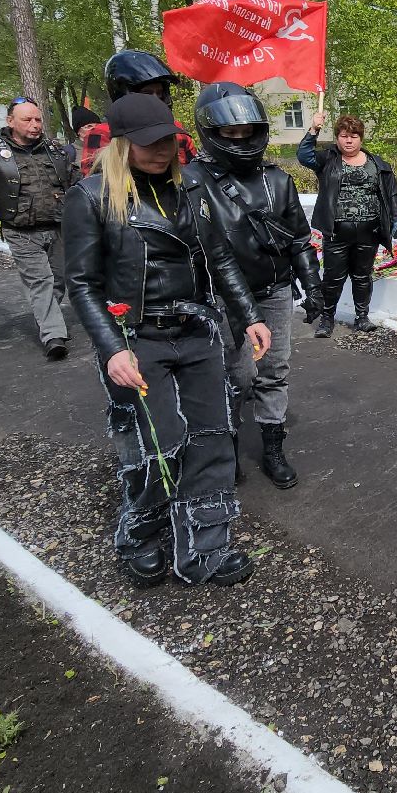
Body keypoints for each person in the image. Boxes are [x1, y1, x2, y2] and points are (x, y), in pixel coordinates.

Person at [63, 93, 269, 588]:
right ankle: (141, 534)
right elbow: (82, 283)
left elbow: (220, 258)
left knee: (212, 437)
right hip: (137, 336)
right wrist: (112, 348)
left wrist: (249, 316)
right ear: (122, 144)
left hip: (197, 329)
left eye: (169, 141)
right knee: (155, 443)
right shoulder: (91, 196)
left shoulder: (192, 188)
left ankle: (205, 547)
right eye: (149, 142)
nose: (162, 151)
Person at [186, 83, 324, 488]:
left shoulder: (277, 180)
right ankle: (225, 445)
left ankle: (272, 445)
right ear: (211, 132)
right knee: (238, 374)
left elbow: (299, 238)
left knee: (274, 370)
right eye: (231, 133)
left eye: (247, 131)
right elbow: (204, 250)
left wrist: (313, 285)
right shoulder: (193, 182)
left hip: (274, 290)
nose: (241, 140)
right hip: (223, 296)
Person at [0, 97, 75, 360]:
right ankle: (53, 335)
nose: (35, 125)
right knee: (40, 281)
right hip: (21, 231)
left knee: (59, 279)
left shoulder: (54, 149)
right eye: (27, 119)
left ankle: (48, 317)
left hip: (59, 226)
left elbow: (74, 182)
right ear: (10, 121)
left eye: (38, 119)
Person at [299, 111, 397, 337]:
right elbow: (304, 156)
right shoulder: (328, 160)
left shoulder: (377, 164)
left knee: (362, 276)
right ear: (337, 138)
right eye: (344, 136)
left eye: (354, 136)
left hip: (369, 232)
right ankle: (327, 319)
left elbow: (392, 193)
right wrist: (314, 129)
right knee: (333, 278)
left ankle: (362, 317)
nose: (349, 141)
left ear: (361, 138)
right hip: (337, 231)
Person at [77, 50, 196, 177]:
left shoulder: (177, 131)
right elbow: (96, 180)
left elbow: (195, 175)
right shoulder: (103, 134)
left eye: (159, 93)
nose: (155, 100)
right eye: (147, 93)